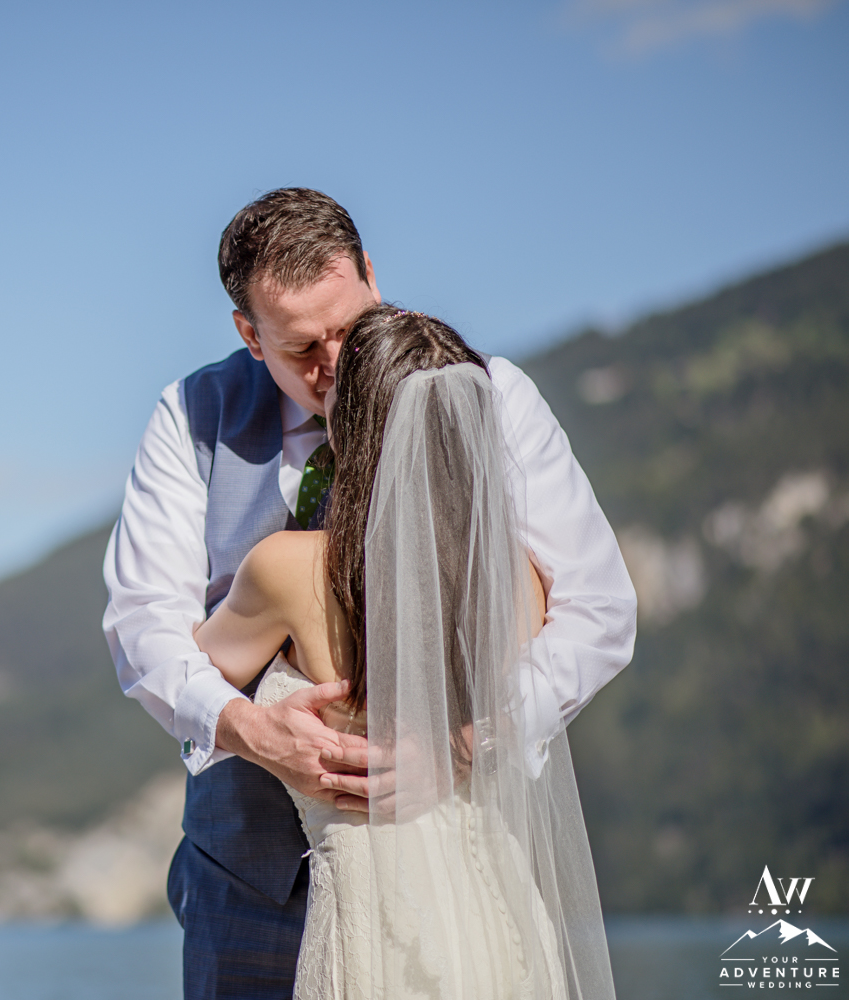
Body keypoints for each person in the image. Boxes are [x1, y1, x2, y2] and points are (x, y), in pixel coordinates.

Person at [102, 188, 636, 999]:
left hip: (454, 881)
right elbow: (145, 624)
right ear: (249, 334)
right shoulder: (190, 417)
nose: (334, 364)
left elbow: (598, 610)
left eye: (347, 327)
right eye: (300, 346)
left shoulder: (487, 396)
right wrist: (246, 729)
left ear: (372, 277)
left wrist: (461, 748)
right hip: (245, 891)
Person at [193, 305, 614, 998]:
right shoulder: (520, 579)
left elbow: (195, 669)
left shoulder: (289, 571)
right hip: (501, 922)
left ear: (349, 430)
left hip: (376, 934)